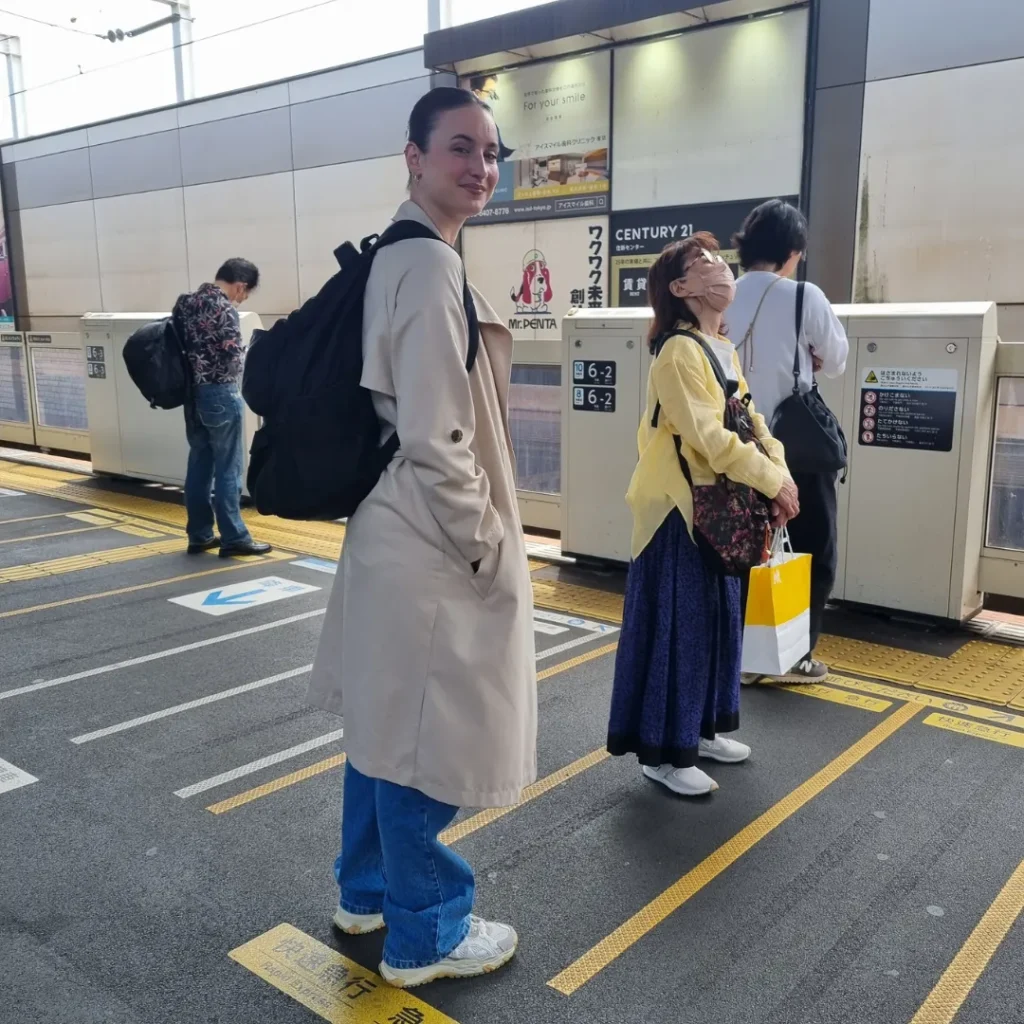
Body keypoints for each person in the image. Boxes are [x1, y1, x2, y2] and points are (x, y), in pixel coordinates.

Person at [306, 87, 536, 988]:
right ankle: (426, 933)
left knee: (385, 725)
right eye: (459, 148)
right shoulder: (431, 267)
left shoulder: (401, 255)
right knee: (424, 746)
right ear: (414, 157)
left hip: (393, 530)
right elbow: (439, 436)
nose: (481, 166)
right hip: (434, 541)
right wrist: (487, 548)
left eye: (491, 151)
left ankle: (364, 892)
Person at [607, 233, 798, 797]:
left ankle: (702, 729)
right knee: (680, 628)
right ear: (680, 288)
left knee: (716, 622)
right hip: (678, 511)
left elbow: (751, 420)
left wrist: (779, 473)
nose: (720, 269)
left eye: (719, 259)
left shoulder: (719, 346)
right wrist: (772, 481)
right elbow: (711, 440)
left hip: (718, 509)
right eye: (704, 264)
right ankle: (663, 753)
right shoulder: (678, 352)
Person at [729, 199, 849, 683]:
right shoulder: (805, 296)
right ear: (793, 251)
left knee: (738, 550)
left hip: (734, 445)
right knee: (812, 551)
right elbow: (836, 359)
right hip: (795, 448)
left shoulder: (722, 293)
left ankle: (741, 655)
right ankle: (795, 656)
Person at [173, 259, 271, 558]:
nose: (241, 300)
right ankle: (234, 537)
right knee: (229, 468)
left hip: (191, 395)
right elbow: (232, 358)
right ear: (240, 285)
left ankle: (200, 534)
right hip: (220, 394)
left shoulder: (186, 303)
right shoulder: (223, 308)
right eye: (245, 294)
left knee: (199, 465)